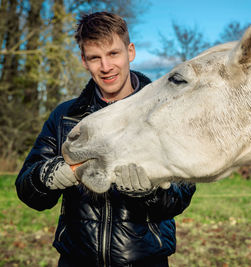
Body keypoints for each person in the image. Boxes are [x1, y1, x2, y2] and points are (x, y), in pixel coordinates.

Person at [15, 12, 196, 267]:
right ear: (84, 61)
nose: (106, 66)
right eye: (94, 58)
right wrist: (47, 176)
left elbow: (181, 196)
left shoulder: (163, 112)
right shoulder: (66, 116)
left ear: (130, 52)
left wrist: (150, 193)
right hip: (76, 260)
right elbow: (27, 190)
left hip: (145, 261)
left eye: (113, 54)